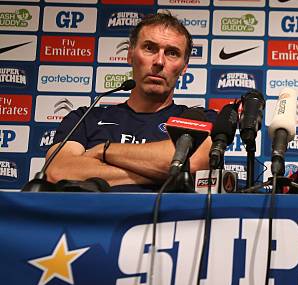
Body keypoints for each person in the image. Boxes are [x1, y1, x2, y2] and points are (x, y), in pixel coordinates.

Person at [45, 12, 213, 192]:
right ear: (130, 55)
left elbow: (194, 162)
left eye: (172, 53)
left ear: (184, 66)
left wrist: (104, 150)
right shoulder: (85, 118)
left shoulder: (199, 118)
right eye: (149, 48)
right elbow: (58, 171)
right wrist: (164, 175)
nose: (159, 61)